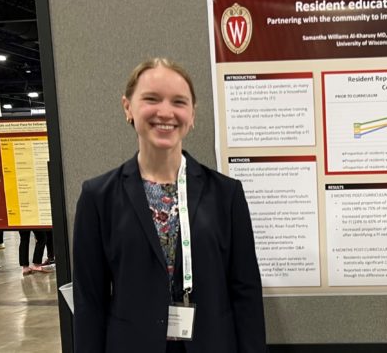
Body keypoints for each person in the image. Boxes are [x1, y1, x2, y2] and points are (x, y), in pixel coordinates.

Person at [73, 58, 266, 353]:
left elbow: (246, 292)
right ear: (128, 107)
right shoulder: (98, 197)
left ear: (192, 114)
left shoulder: (226, 194)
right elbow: (90, 300)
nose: (165, 112)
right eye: (151, 99)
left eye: (179, 102)